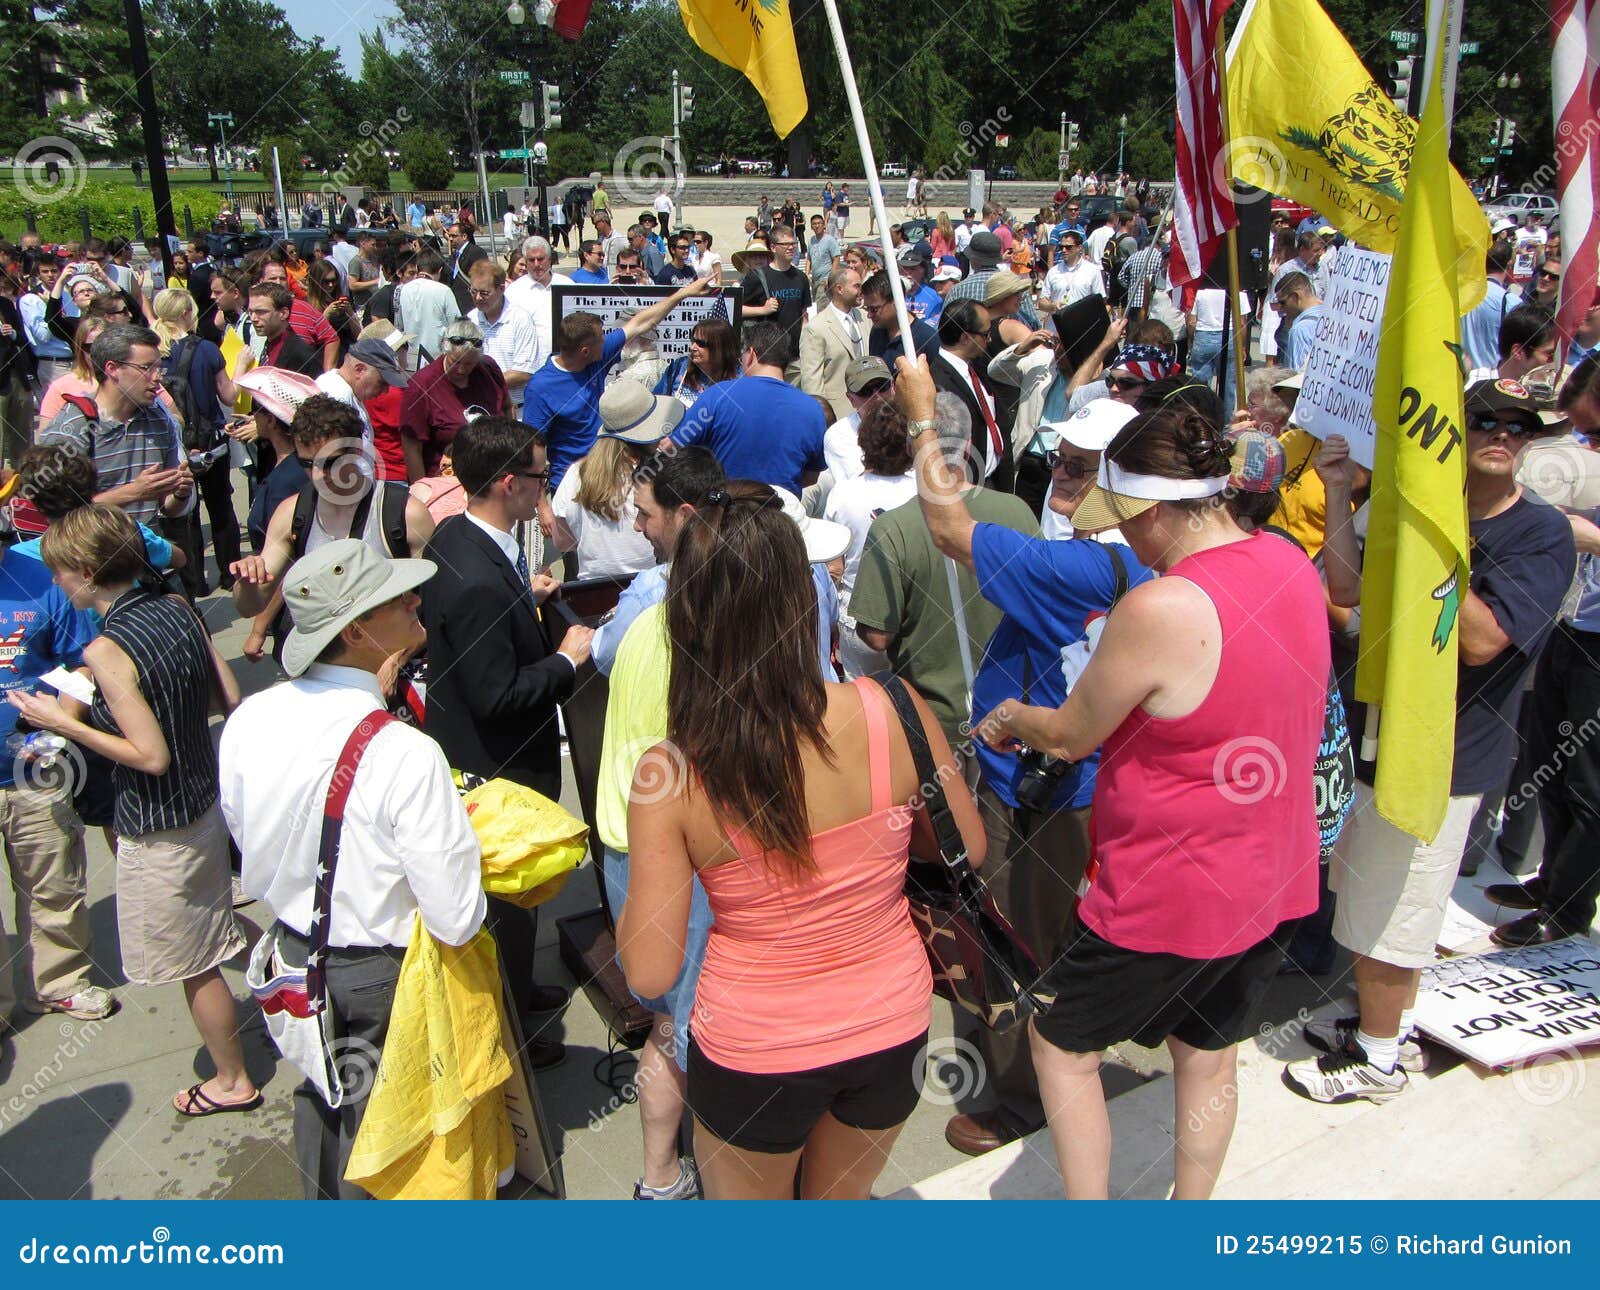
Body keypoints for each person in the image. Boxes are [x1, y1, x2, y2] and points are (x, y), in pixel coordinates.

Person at [966, 387, 1327, 1199]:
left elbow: (1068, 734)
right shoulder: (1287, 563)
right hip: (1272, 871)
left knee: (1062, 1048)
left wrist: (1012, 715)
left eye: (1122, 516)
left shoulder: (1160, 605)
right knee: (1207, 1053)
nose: (1117, 534)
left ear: (1155, 512)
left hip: (1171, 889)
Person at [619, 480, 986, 1200]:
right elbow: (966, 850)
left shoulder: (671, 771)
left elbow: (651, 973)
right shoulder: (891, 707)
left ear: (686, 614)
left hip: (754, 1047)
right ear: (802, 599)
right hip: (892, 1023)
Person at [1283, 378, 1575, 1104]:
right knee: (1365, 893)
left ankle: (1379, 1059)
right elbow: (1346, 588)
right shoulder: (1413, 505)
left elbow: (1481, 640)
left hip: (1445, 755)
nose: (1503, 433)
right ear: (1456, 428)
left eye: (1519, 425)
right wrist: (1347, 492)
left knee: (1399, 908)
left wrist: (1426, 540)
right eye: (1485, 420)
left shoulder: (1541, 534)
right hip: (1370, 737)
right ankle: (1378, 1021)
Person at [220, 537, 486, 1198]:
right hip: (375, 976)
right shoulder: (404, 752)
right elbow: (456, 919)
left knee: (324, 1099)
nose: (418, 599)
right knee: (387, 1149)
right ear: (361, 629)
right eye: (399, 597)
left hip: (293, 955)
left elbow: (245, 841)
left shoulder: (248, 718)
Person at [14, 505, 258, 1121]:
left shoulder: (105, 649)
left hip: (156, 824)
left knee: (196, 964)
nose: (58, 586)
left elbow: (147, 756)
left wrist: (54, 722)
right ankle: (294, 984)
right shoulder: (175, 607)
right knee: (220, 923)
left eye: (62, 574)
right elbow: (225, 694)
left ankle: (231, 1079)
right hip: (204, 803)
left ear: (89, 572)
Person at [421, 415, 594, 1051]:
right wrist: (565, 661)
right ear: (504, 484)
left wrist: (531, 594)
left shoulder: (459, 539)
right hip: (499, 767)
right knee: (508, 900)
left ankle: (519, 992)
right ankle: (514, 1033)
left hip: (481, 753)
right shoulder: (477, 585)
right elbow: (496, 695)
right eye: (539, 480)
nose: (544, 493)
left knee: (515, 911)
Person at [0, 509, 111, 1030]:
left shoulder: (40, 580)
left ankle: (60, 984)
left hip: (34, 770)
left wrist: (61, 726)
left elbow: (85, 661)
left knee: (54, 882)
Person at [521, 271, 715, 497]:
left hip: (606, 477)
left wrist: (684, 293)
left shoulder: (595, 356)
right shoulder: (540, 388)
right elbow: (530, 450)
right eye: (601, 339)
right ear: (585, 351)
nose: (607, 341)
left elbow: (642, 323)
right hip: (568, 487)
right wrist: (542, 505)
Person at [39, 324, 195, 528]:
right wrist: (134, 492)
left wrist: (180, 493)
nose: (158, 377)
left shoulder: (159, 420)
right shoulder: (73, 427)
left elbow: (167, 508)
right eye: (146, 367)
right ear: (112, 369)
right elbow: (59, 516)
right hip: (92, 553)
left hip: (147, 550)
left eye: (159, 367)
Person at [150, 289, 241, 595]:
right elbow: (228, 395)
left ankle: (195, 580)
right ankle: (230, 574)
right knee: (221, 508)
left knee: (185, 513)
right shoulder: (206, 349)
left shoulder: (152, 353)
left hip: (173, 445)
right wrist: (241, 367)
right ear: (188, 313)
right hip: (211, 441)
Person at [671, 321, 826, 496]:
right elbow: (811, 477)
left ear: (751, 354)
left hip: (726, 510)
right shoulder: (813, 408)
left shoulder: (718, 395)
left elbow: (674, 447)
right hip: (781, 515)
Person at [822, 400, 918, 680]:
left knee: (866, 703)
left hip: (859, 618)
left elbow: (834, 568)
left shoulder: (843, 495)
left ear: (863, 443)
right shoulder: (922, 492)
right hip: (912, 616)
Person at [400, 318, 507, 480]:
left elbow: (507, 407)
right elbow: (411, 447)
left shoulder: (488, 369)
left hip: (492, 477)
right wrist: (421, 491)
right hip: (446, 482)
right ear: (445, 351)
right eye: (455, 362)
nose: (461, 369)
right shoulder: (421, 386)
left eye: (469, 364)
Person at [550, 421, 656, 577]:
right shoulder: (659, 471)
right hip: (654, 588)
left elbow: (562, 541)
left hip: (594, 591)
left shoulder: (576, 473)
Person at [932, 299, 1012, 490]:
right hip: (969, 489)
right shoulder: (936, 383)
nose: (990, 339)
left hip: (994, 481)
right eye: (986, 334)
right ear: (966, 337)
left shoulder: (978, 368)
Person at [467, 259, 538, 412]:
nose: (478, 298)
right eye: (473, 292)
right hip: (479, 409)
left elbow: (524, 372)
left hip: (515, 411)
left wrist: (479, 382)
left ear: (501, 289)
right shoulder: (470, 319)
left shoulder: (520, 320)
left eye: (484, 293)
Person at [799, 265, 866, 423]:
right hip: (839, 415)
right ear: (839, 289)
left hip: (870, 413)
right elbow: (812, 382)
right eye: (856, 286)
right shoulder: (815, 328)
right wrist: (822, 419)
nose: (861, 291)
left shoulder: (866, 318)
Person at [739, 229, 811, 352]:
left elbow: (803, 316)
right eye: (785, 244)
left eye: (793, 243)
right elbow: (735, 309)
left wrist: (807, 344)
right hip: (766, 354)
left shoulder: (801, 277)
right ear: (773, 247)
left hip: (796, 353)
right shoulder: (756, 277)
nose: (790, 248)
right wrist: (762, 310)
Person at [652, 316, 738, 410]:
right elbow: (656, 402)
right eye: (693, 341)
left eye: (701, 343)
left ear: (720, 347)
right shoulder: (679, 367)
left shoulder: (740, 379)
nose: (692, 347)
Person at [245, 283, 323, 378]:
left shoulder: (300, 354)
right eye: (250, 312)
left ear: (283, 313)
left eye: (261, 312)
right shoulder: (269, 344)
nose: (253, 318)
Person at [860, 270, 939, 361]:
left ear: (896, 301)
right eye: (867, 309)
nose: (869, 315)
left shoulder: (927, 339)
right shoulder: (876, 332)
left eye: (874, 310)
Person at [1273, 271, 1325, 372]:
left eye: (1282, 302)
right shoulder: (1329, 317)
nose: (1280, 308)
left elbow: (1296, 377)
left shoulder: (1299, 330)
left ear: (1295, 297)